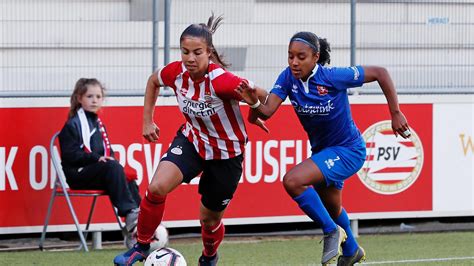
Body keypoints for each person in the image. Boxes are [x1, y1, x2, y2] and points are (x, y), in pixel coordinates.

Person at [236, 32, 411, 265]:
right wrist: (254, 101)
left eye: (301, 57)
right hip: (323, 153)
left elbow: (381, 73)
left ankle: (331, 231)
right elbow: (267, 110)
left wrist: (395, 113)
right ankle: (351, 251)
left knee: (293, 180)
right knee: (332, 207)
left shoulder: (333, 77)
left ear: (315, 57)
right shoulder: (288, 77)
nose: (294, 62)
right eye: (290, 56)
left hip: (349, 150)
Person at [113, 14, 266, 266]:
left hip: (226, 155)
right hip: (193, 142)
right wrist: (146, 121)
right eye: (185, 52)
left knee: (209, 219)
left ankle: (208, 257)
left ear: (209, 53)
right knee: (156, 187)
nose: (190, 58)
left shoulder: (222, 81)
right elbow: (153, 81)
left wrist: (254, 110)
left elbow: (261, 94)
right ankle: (140, 246)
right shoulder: (176, 72)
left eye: (197, 52)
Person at [59, 78, 141, 248]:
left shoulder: (98, 123)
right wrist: (96, 159)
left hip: (97, 172)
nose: (94, 100)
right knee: (112, 166)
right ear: (79, 98)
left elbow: (107, 152)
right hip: (78, 174)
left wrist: (105, 160)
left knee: (126, 177)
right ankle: (131, 214)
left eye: (98, 96)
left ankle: (139, 226)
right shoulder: (72, 125)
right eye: (89, 96)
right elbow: (70, 155)